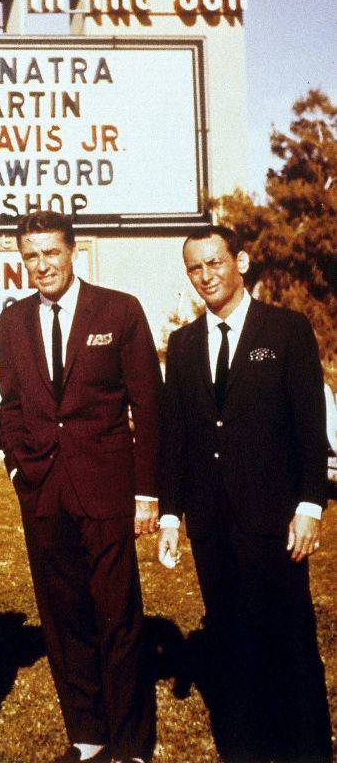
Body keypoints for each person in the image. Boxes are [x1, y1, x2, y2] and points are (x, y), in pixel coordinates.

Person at [158, 225, 332, 763]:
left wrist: (309, 506)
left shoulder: (285, 330)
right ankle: (245, 747)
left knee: (290, 640)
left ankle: (305, 749)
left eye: (215, 263)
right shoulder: (184, 345)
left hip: (274, 522)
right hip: (211, 525)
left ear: (242, 261)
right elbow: (176, 437)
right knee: (231, 640)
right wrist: (170, 516)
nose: (206, 276)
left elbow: (310, 427)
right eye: (195, 268)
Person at [0, 211, 161, 763]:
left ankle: (132, 743)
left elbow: (148, 405)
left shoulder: (118, 309)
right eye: (31, 255)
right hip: (43, 490)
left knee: (117, 613)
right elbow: (12, 405)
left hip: (106, 487)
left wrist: (146, 492)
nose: (42, 265)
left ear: (72, 252)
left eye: (51, 253)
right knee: (63, 615)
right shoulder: (13, 320)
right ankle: (88, 735)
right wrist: (20, 468)